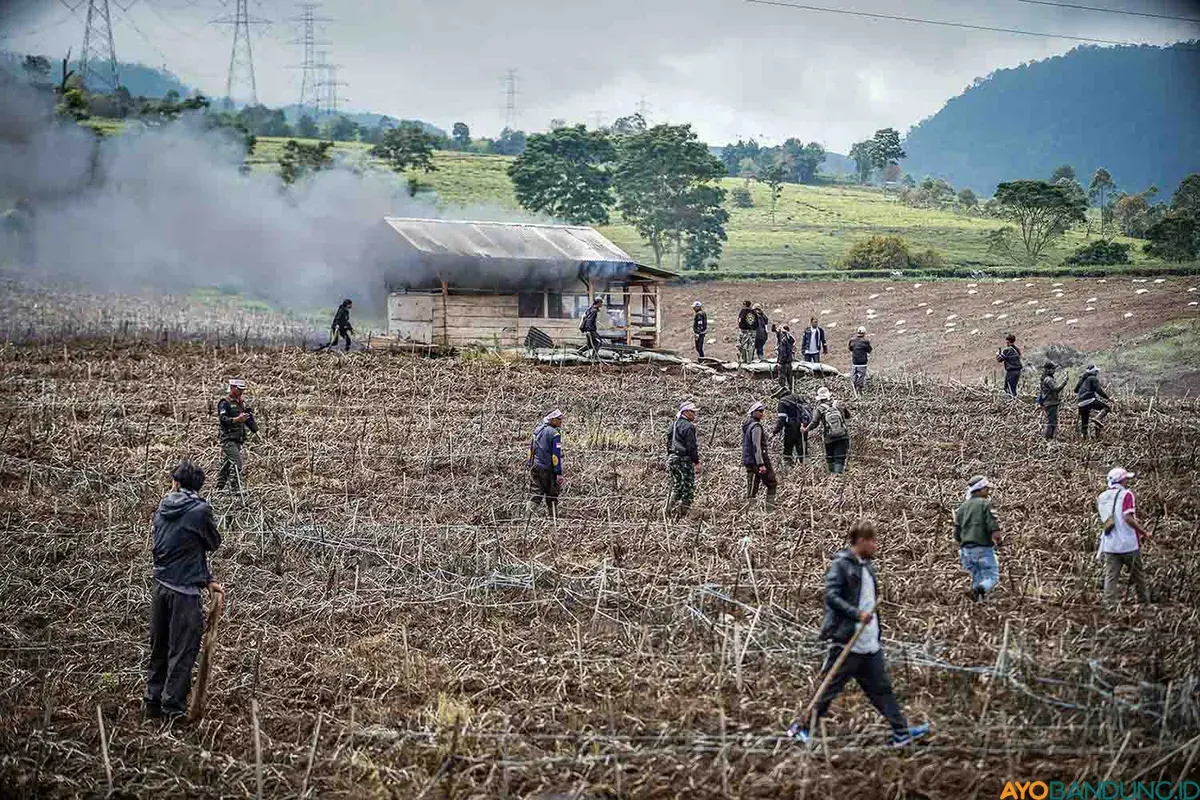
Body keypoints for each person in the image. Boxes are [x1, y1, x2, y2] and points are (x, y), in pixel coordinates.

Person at [787, 521, 930, 747]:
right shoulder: (841, 566)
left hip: (868, 642)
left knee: (882, 690)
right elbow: (831, 597)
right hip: (847, 641)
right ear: (861, 541)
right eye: (872, 541)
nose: (876, 546)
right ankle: (801, 728)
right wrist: (856, 614)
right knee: (828, 688)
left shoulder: (866, 566)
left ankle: (901, 732)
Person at [144, 460, 222, 720]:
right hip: (184, 592)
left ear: (175, 483)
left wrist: (205, 577)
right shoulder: (200, 510)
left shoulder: (162, 507)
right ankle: (173, 707)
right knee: (183, 649)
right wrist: (204, 578)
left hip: (160, 584)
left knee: (159, 645)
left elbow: (178, 548)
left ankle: (153, 701)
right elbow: (213, 542)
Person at [1096, 467, 1150, 605]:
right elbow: (1128, 518)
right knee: (1138, 577)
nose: (1127, 481)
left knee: (1110, 578)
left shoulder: (1101, 497)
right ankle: (1145, 605)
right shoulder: (1126, 494)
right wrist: (1143, 532)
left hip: (1109, 545)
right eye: (1125, 479)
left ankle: (1109, 606)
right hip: (1128, 544)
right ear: (1122, 480)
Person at [954, 475, 1003, 602]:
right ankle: (979, 591)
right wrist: (998, 540)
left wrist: (963, 544)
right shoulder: (985, 505)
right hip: (982, 548)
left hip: (965, 551)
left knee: (978, 576)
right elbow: (993, 526)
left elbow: (957, 533)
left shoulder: (962, 508)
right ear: (980, 489)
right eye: (986, 489)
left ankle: (978, 604)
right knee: (992, 577)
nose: (988, 491)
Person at [216, 379, 257, 493]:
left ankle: (219, 486)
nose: (241, 392)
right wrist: (236, 420)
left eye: (242, 390)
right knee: (236, 462)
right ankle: (235, 488)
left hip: (238, 438)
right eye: (239, 389)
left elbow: (249, 418)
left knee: (227, 462)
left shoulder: (242, 403)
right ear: (232, 387)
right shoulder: (225, 403)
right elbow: (223, 420)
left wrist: (256, 431)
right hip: (228, 438)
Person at [804, 387, 852, 474]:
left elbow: (815, 423)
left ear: (819, 398)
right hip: (843, 435)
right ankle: (838, 478)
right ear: (828, 395)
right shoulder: (839, 404)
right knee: (840, 457)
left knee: (830, 457)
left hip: (829, 437)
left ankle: (832, 477)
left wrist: (805, 430)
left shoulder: (819, 409)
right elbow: (848, 416)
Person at [666, 402, 701, 519]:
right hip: (683, 460)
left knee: (677, 486)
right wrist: (696, 462)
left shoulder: (673, 425)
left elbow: (668, 443)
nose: (694, 414)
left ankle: (668, 511)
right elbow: (692, 447)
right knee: (688, 488)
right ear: (685, 412)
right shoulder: (689, 427)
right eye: (692, 412)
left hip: (672, 459)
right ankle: (683, 515)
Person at [528, 409, 565, 519]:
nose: (560, 422)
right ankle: (553, 520)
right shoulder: (555, 434)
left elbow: (531, 449)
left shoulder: (537, 430)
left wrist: (530, 464)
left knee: (536, 494)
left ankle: (527, 518)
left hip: (536, 467)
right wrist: (558, 472)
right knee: (552, 495)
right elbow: (555, 456)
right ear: (552, 419)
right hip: (548, 469)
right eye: (559, 419)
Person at [741, 401, 777, 508]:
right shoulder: (756, 427)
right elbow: (757, 446)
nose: (762, 413)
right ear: (753, 412)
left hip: (749, 460)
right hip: (758, 461)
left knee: (752, 487)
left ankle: (750, 511)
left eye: (762, 411)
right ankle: (769, 509)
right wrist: (761, 463)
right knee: (772, 483)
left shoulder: (747, 425)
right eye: (759, 411)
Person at [774, 391, 811, 466]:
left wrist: (776, 431)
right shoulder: (799, 397)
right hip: (803, 427)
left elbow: (782, 420)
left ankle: (789, 470)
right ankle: (807, 470)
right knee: (803, 450)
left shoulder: (782, 402)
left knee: (788, 450)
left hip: (791, 429)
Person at [1075, 364, 1112, 439]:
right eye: (1096, 371)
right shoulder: (1093, 378)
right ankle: (1097, 418)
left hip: (1080, 403)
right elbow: (1098, 390)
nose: (1097, 373)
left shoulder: (1082, 379)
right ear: (1094, 372)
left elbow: (1075, 390)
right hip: (1089, 400)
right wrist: (1108, 398)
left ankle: (1084, 438)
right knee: (1106, 408)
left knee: (1084, 422)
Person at [1037, 362, 1070, 440]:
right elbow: (1056, 389)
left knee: (1052, 421)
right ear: (1048, 370)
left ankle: (1050, 438)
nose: (1054, 370)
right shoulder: (1048, 379)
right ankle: (1048, 438)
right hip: (1050, 403)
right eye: (1053, 369)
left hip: (1049, 402)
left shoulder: (1046, 378)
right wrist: (1065, 381)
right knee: (1051, 422)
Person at [996, 333, 1023, 397]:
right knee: (1013, 388)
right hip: (1018, 371)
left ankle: (1012, 403)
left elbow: (999, 360)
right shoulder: (1017, 349)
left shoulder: (1007, 350)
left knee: (1008, 388)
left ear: (1008, 341)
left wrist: (998, 354)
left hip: (1011, 372)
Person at [773, 323, 797, 394]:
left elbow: (783, 353)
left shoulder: (783, 341)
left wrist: (780, 361)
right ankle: (790, 391)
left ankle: (784, 393)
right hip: (789, 363)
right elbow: (793, 340)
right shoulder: (789, 339)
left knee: (782, 380)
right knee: (790, 379)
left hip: (783, 363)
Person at [849, 326, 872, 391]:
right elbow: (869, 350)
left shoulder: (852, 340)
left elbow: (850, 348)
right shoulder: (865, 341)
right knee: (861, 376)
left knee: (854, 375)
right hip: (862, 362)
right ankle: (859, 389)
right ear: (864, 333)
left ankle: (854, 388)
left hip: (854, 362)